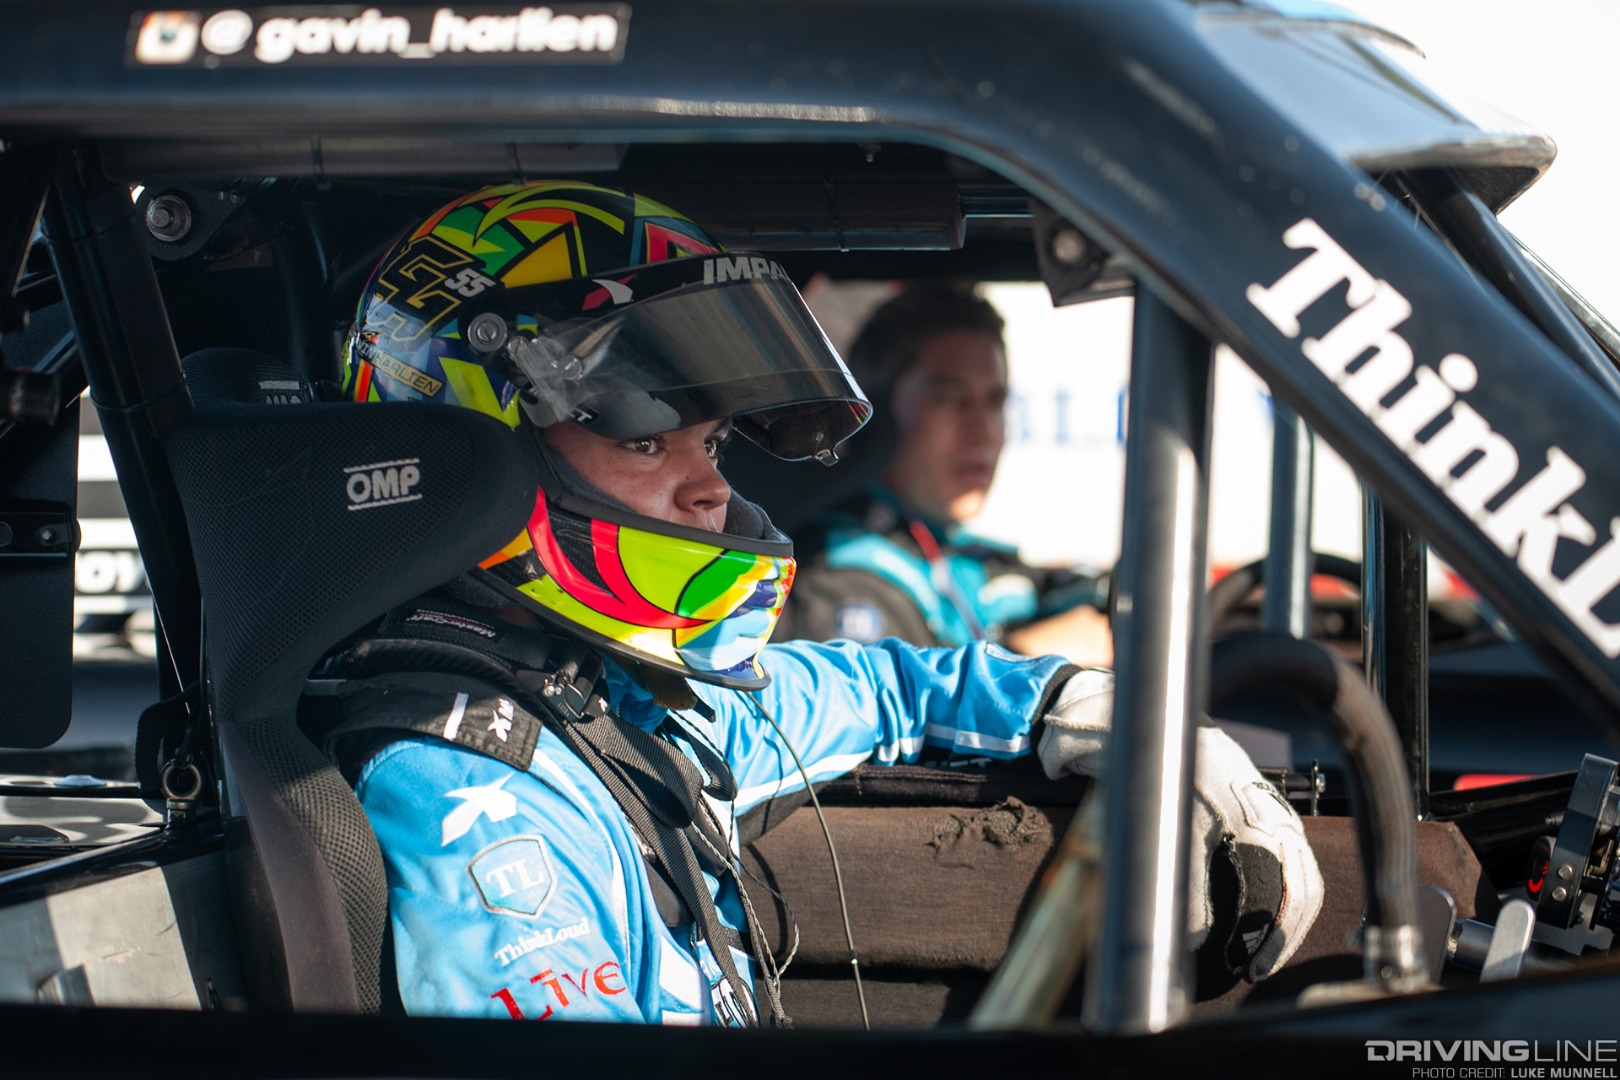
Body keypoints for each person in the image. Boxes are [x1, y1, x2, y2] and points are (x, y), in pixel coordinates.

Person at [312, 180, 1320, 1025]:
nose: (710, 490)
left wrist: (1077, 705)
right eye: (642, 435)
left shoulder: (614, 698)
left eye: (709, 442)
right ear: (471, 447)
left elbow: (882, 690)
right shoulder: (470, 793)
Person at [773, 285, 1113, 666]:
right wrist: (1021, 660)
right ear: (876, 416)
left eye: (994, 402)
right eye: (950, 399)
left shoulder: (953, 551)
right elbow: (887, 716)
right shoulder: (839, 574)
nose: (981, 430)